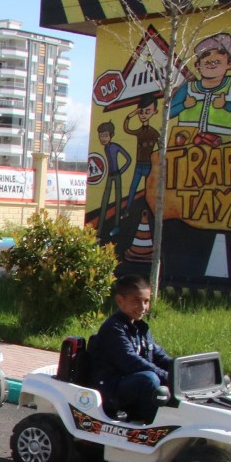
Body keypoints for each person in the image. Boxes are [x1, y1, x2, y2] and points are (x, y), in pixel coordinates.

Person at [90, 274, 174, 424]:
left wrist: (181, 371)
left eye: (146, 301)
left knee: (163, 375)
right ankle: (155, 425)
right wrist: (166, 376)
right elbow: (130, 361)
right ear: (120, 300)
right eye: (136, 301)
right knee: (149, 379)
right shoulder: (113, 328)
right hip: (110, 391)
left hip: (128, 384)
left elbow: (158, 355)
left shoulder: (140, 327)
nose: (143, 307)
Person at [168, 31, 231, 147]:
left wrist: (226, 105)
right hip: (186, 145)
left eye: (217, 61)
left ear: (230, 64)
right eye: (206, 61)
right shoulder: (188, 87)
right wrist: (184, 105)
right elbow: (168, 113)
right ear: (198, 66)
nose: (211, 64)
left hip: (222, 146)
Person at [123, 95, 160, 213]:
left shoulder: (154, 133)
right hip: (139, 166)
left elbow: (161, 149)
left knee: (149, 190)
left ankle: (149, 211)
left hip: (149, 165)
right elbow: (126, 129)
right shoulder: (139, 131)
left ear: (155, 112)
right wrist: (131, 115)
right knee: (133, 188)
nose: (143, 115)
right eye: (141, 112)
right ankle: (127, 210)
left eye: (147, 112)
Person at [95, 122, 131, 242]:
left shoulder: (114, 146)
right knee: (104, 201)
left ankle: (116, 226)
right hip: (110, 176)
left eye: (105, 135)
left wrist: (121, 171)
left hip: (116, 175)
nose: (103, 138)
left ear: (111, 135)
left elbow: (128, 159)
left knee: (118, 200)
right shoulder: (105, 147)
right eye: (101, 136)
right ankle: (98, 231)